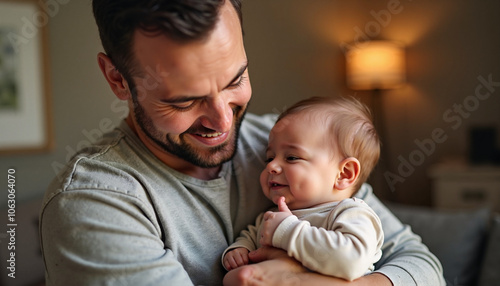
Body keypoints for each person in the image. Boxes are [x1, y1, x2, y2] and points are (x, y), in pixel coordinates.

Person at [39, 0, 446, 285]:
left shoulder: (294, 150)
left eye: (236, 81)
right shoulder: (94, 202)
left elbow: (423, 266)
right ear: (116, 79)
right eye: (184, 99)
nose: (222, 120)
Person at [223, 96, 384, 281]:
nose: (271, 166)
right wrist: (239, 250)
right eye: (270, 157)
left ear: (344, 174)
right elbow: (251, 236)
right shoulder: (272, 215)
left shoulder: (351, 214)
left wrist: (288, 231)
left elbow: (352, 262)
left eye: (291, 157)